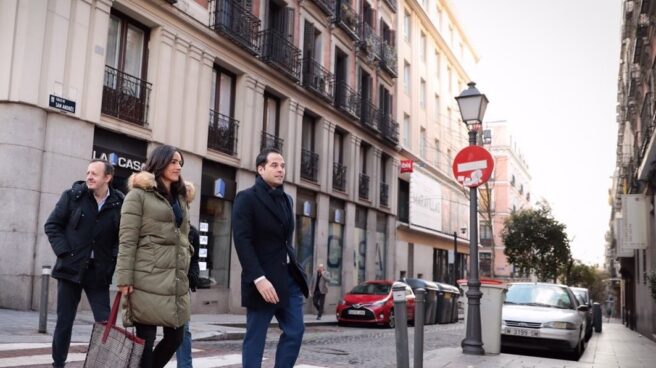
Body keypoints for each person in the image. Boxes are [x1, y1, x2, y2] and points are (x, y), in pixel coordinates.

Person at [115, 145, 194, 368]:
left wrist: (189, 260)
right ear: (159, 163)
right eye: (173, 162)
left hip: (175, 280)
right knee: (145, 341)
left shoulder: (180, 198)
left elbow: (185, 237)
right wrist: (124, 278)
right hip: (145, 277)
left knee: (175, 337)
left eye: (180, 163)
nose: (178, 166)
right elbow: (127, 240)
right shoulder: (138, 196)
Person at [232, 147, 309, 368]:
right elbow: (242, 241)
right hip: (262, 281)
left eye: (283, 165)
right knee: (256, 338)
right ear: (260, 169)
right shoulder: (246, 198)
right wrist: (258, 278)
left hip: (289, 279)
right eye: (274, 165)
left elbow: (285, 241)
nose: (280, 169)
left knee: (296, 331)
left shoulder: (287, 200)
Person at [45, 159, 124, 368]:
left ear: (107, 177)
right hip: (70, 269)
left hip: (98, 273)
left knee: (105, 323)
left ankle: (101, 364)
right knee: (64, 322)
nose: (89, 176)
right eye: (88, 172)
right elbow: (52, 225)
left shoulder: (119, 203)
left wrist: (113, 259)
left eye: (94, 174)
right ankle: (58, 363)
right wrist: (64, 252)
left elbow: (123, 237)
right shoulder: (72, 197)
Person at [175, 222, 200, 368]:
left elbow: (195, 260)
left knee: (183, 331)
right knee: (148, 330)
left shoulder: (192, 233)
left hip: (181, 287)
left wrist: (193, 277)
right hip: (158, 283)